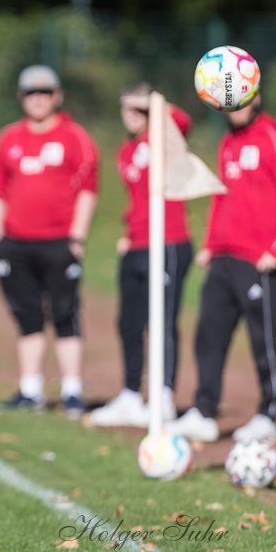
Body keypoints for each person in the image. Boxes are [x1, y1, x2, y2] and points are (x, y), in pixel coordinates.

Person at [168, 93, 276, 443]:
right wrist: (210, 244)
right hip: (222, 258)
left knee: (264, 339)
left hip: (257, 259)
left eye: (243, 99)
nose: (237, 107)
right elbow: (222, 196)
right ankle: (203, 410)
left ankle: (269, 413)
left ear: (257, 97)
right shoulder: (228, 142)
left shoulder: (272, 136)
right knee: (208, 335)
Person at [0, 65, 99, 419]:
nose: (38, 99)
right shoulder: (8, 138)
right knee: (28, 316)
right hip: (16, 243)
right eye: (31, 93)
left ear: (57, 96)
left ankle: (72, 392)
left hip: (59, 242)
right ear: (22, 98)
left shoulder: (74, 137)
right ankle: (31, 390)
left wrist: (77, 238)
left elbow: (88, 189)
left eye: (45, 93)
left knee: (66, 315)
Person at [89, 83, 194, 428]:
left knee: (162, 321)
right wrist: (127, 234)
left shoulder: (164, 136)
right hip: (135, 244)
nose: (133, 116)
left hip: (169, 242)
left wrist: (153, 105)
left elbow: (181, 117)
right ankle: (131, 394)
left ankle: (163, 396)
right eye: (127, 109)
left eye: (140, 109)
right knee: (128, 323)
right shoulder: (126, 150)